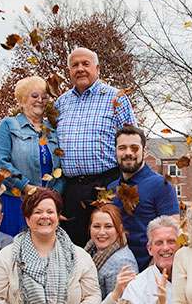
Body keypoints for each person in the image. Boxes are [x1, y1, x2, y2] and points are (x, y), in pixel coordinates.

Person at [54, 47, 135, 246]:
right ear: (69, 71)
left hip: (107, 184)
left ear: (97, 68)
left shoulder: (116, 98)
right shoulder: (60, 104)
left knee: (107, 242)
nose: (80, 69)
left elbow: (131, 141)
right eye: (75, 65)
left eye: (85, 64)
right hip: (71, 188)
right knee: (73, 244)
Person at [0, 76, 63, 236]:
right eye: (34, 96)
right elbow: (0, 166)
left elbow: (62, 168)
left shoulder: (52, 130)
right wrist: (27, 188)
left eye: (44, 97)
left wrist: (54, 194)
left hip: (45, 206)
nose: (40, 101)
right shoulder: (8, 125)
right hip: (15, 200)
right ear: (22, 100)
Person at [107, 124, 180, 270]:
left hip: (150, 270)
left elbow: (173, 233)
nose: (128, 153)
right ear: (115, 151)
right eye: (122, 148)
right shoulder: (110, 189)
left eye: (134, 148)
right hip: (117, 270)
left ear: (144, 151)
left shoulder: (161, 185)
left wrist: (151, 271)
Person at [86, 204, 138, 298]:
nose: (101, 232)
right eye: (97, 226)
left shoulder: (122, 262)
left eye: (108, 226)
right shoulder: (91, 251)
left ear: (119, 229)